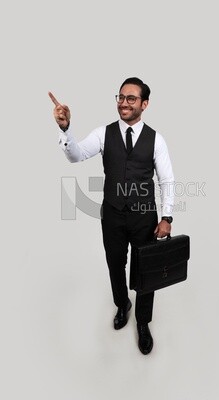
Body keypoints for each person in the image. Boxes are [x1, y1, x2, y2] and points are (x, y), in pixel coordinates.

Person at [49, 77, 175, 355]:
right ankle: (122, 305)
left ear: (145, 104)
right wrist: (65, 129)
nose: (123, 103)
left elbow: (167, 180)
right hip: (114, 216)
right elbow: (76, 155)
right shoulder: (103, 133)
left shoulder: (156, 139)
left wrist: (167, 217)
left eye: (131, 98)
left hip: (145, 217)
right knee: (115, 264)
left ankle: (143, 323)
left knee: (145, 271)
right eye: (120, 97)